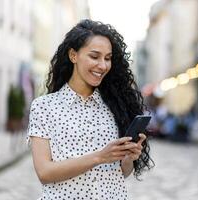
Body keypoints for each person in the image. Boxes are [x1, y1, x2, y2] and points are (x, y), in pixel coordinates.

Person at [27, 19, 154, 200]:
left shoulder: (115, 107)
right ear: (73, 55)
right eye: (94, 56)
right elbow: (44, 173)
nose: (102, 66)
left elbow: (119, 173)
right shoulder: (44, 107)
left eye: (108, 58)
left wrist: (128, 158)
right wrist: (100, 157)